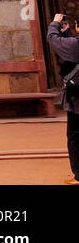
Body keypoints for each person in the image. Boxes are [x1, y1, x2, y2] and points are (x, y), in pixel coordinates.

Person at [47, 13, 79, 184]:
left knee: (75, 137)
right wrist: (67, 34)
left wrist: (54, 23)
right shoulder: (74, 43)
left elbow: (52, 39)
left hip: (77, 101)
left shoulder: (75, 45)